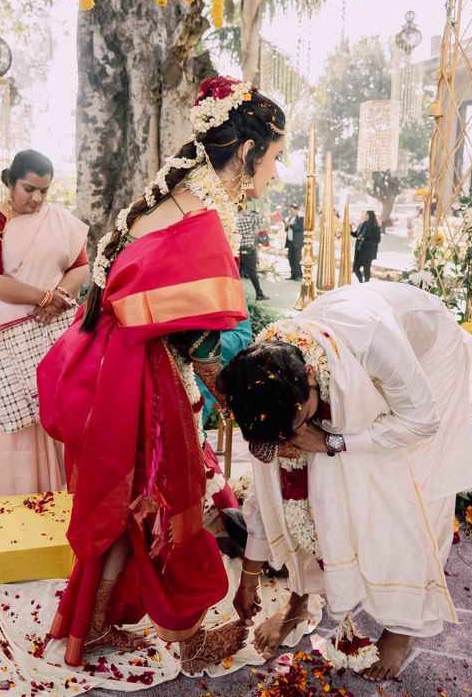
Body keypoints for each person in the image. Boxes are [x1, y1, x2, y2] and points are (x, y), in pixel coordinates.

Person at [37, 77, 287, 673]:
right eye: (276, 157)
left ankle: (93, 628)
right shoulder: (203, 217)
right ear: (247, 153)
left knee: (133, 504)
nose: (277, 171)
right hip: (146, 377)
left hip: (119, 366)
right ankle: (189, 639)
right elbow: (194, 336)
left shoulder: (177, 198)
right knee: (178, 500)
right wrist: (234, 386)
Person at [219, 281, 472, 682]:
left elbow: (422, 420)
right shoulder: (270, 373)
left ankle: (401, 629)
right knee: (307, 481)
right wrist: (250, 580)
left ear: (311, 376)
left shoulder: (371, 336)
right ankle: (298, 602)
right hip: (354, 368)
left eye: (295, 426)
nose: (291, 440)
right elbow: (275, 494)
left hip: (428, 362)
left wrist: (335, 440)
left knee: (416, 488)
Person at [0, 149, 89, 496]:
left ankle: (71, 495)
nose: (36, 199)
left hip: (55, 332)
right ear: (9, 182)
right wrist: (43, 297)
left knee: (62, 406)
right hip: (10, 337)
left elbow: (80, 264)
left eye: (44, 191)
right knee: (20, 416)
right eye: (28, 189)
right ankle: (28, 497)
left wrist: (58, 296)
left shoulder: (58, 219)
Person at [237, 205, 269, 300]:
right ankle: (259, 294)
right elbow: (260, 220)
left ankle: (234, 294)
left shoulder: (237, 220)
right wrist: (251, 213)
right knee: (252, 273)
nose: (248, 211)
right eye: (247, 209)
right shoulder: (247, 219)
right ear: (243, 210)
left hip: (240, 249)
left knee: (238, 273)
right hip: (248, 249)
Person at [351, 209, 380, 283]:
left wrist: (365, 241)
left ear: (371, 216)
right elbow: (356, 234)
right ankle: (361, 282)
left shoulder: (375, 227)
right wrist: (349, 229)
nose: (365, 216)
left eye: (366, 215)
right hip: (359, 251)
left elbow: (377, 240)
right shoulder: (362, 224)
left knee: (366, 270)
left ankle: (366, 284)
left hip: (368, 253)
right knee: (355, 268)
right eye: (365, 214)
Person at [285, 205, 304, 280]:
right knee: (291, 258)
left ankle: (299, 275)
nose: (290, 212)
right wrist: (287, 226)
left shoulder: (300, 218)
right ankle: (293, 274)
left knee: (297, 259)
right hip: (290, 242)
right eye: (290, 211)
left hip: (297, 242)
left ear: (296, 211)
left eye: (292, 211)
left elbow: (300, 228)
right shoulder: (290, 219)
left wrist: (291, 225)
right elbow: (287, 230)